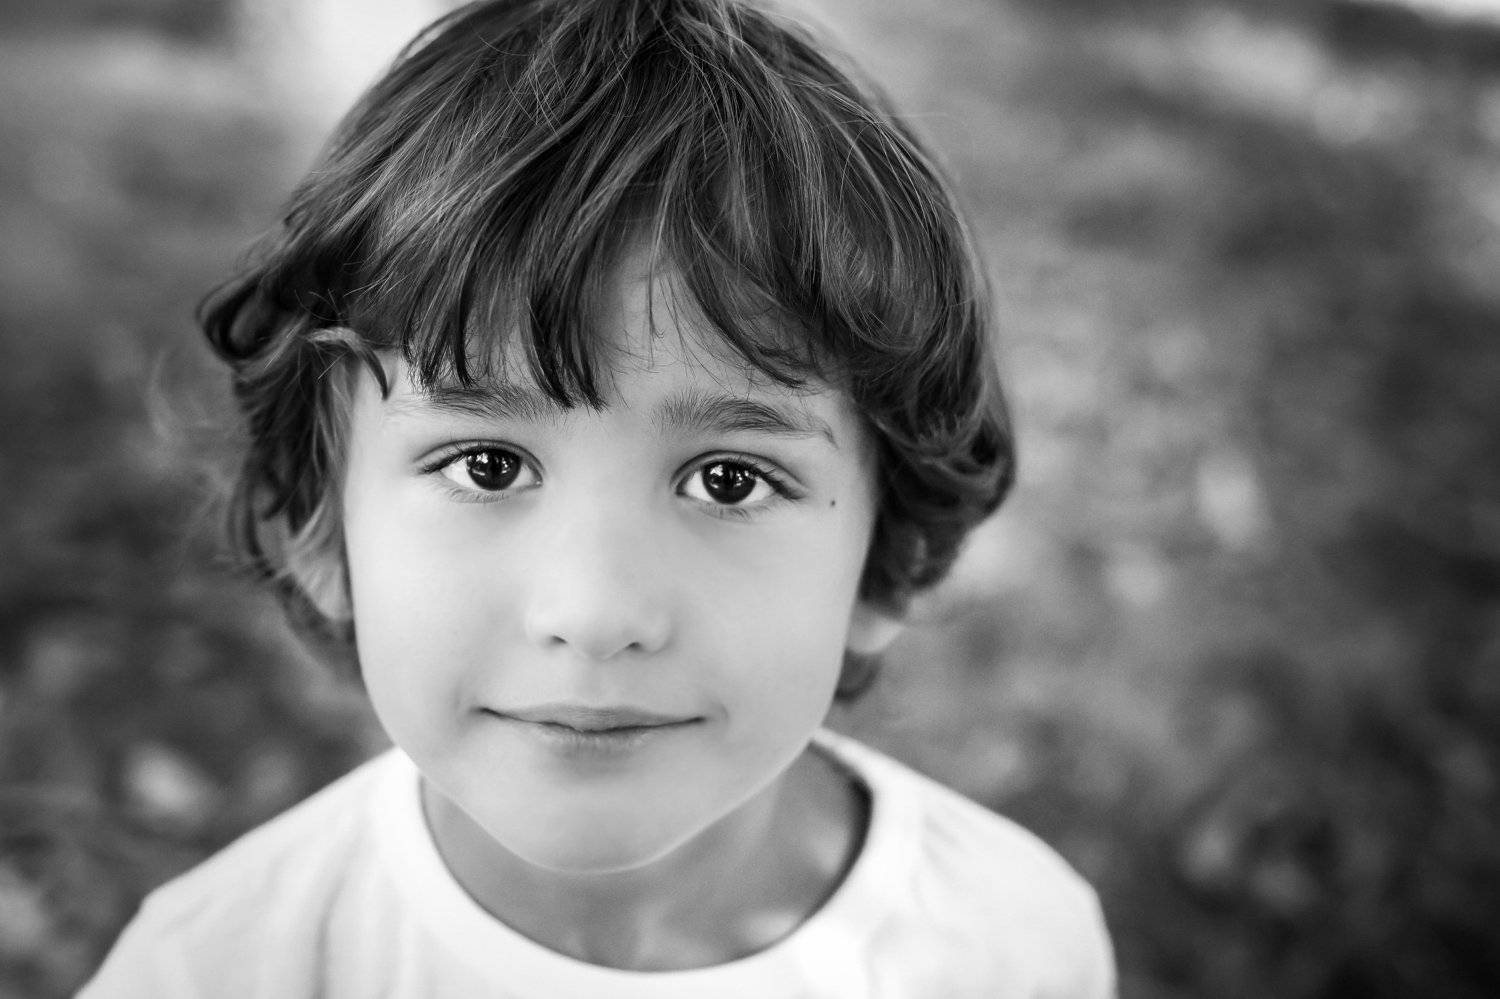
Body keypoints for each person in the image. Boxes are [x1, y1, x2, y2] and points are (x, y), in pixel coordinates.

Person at [80, 0, 1115, 994]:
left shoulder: (1011, 949)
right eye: (486, 465)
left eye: (729, 478)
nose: (595, 612)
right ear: (318, 530)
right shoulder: (211, 973)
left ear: (888, 562)